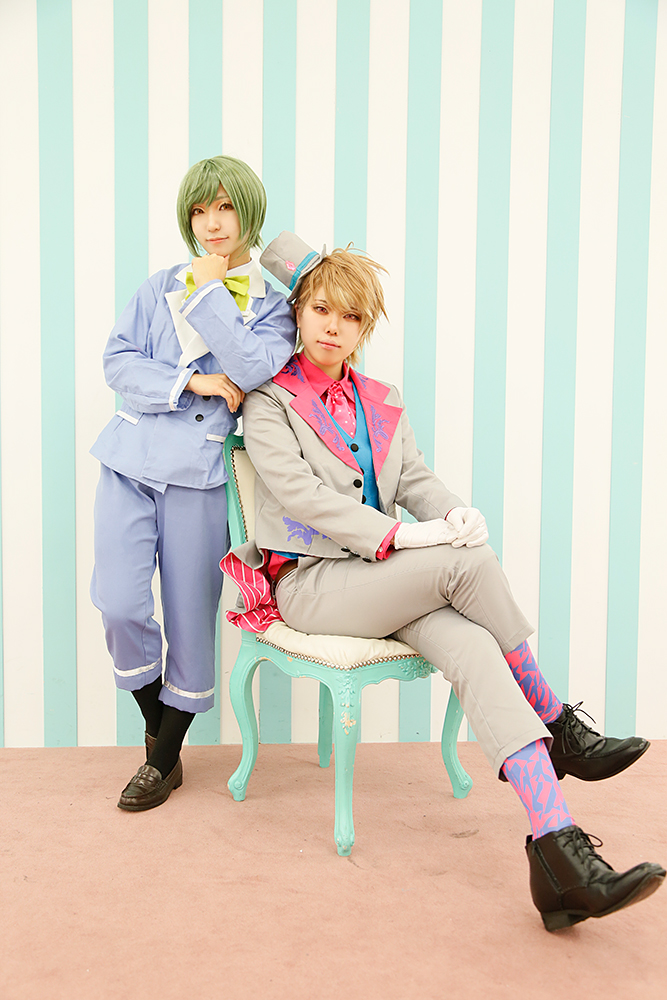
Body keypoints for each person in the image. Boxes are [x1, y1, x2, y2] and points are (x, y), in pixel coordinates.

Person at [221, 232, 665, 930]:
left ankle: (559, 858)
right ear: (298, 312)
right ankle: (557, 722)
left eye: (350, 316)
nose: (333, 326)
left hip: (386, 583)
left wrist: (453, 513)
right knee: (466, 564)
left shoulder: (380, 399)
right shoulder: (268, 402)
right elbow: (303, 498)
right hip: (313, 585)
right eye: (321, 309)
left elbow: (415, 481)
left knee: (475, 648)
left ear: (365, 327)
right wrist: (405, 537)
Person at [90, 157, 296, 812]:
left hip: (200, 475)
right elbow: (118, 362)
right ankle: (162, 733)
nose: (212, 223)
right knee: (119, 604)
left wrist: (209, 292)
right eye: (199, 211)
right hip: (128, 459)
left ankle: (162, 760)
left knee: (189, 616)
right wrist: (191, 382)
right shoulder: (159, 286)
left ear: (248, 212)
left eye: (225, 207)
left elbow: (253, 367)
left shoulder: (274, 308)